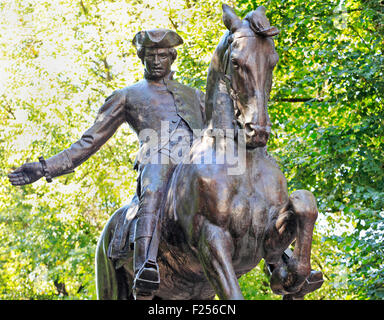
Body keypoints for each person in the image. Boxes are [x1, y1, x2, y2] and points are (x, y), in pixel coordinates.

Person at [8, 29, 206, 299]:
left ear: (172, 56)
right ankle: (145, 266)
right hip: (157, 163)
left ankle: (278, 259)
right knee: (154, 180)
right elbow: (89, 141)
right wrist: (45, 168)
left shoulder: (195, 95)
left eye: (162, 55)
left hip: (197, 167)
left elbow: (223, 135)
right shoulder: (127, 95)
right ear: (142, 57)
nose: (157, 60)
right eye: (150, 55)